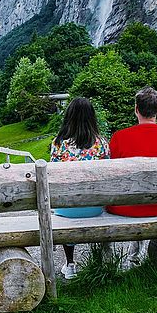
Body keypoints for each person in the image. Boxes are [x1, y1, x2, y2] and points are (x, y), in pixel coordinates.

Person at [105, 86, 157, 267]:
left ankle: (106, 260)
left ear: (136, 109)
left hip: (123, 207)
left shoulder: (119, 137)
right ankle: (136, 254)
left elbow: (112, 176)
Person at [51, 97, 110, 279]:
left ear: (69, 117)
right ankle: (103, 261)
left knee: (68, 203)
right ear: (92, 118)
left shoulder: (59, 144)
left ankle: (70, 264)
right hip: (95, 208)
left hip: (67, 209)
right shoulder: (101, 144)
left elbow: (52, 177)